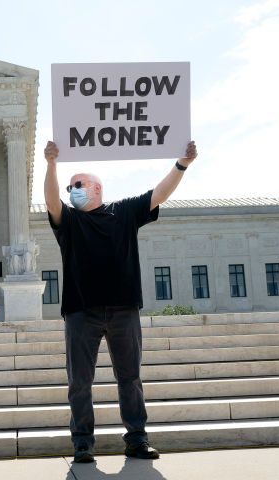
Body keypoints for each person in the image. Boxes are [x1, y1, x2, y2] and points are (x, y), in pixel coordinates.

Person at [43, 139, 198, 463]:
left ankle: (137, 440)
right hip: (81, 313)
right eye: (71, 187)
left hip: (123, 310)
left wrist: (181, 164)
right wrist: (52, 165)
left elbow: (159, 193)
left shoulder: (124, 212)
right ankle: (83, 443)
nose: (72, 191)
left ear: (96, 189)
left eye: (78, 185)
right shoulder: (69, 221)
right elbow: (51, 201)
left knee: (130, 379)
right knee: (79, 382)